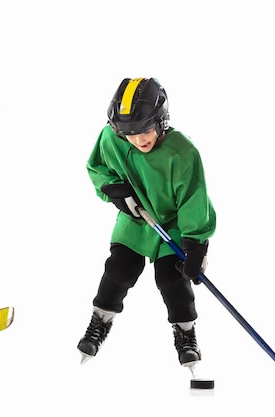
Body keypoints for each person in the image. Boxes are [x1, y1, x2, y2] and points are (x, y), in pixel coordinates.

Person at [77, 77, 216, 369]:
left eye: (145, 130)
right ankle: (99, 322)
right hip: (136, 218)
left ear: (162, 120)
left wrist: (195, 245)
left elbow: (194, 198)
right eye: (129, 133)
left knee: (172, 280)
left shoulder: (183, 153)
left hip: (175, 224)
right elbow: (97, 168)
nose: (139, 139)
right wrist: (114, 189)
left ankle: (186, 334)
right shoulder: (110, 138)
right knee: (119, 270)